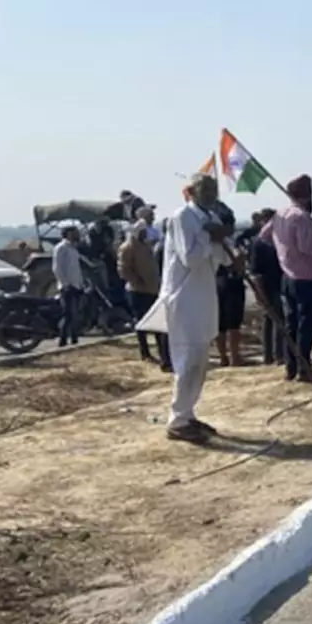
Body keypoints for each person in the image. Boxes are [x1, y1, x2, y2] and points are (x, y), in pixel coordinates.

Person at [147, 174, 233, 444]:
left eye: (213, 189)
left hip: (204, 297)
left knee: (200, 362)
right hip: (184, 299)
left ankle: (187, 413)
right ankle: (177, 420)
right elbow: (191, 257)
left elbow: (221, 260)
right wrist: (210, 237)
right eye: (204, 189)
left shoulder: (212, 218)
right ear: (192, 192)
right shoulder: (182, 217)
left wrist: (224, 244)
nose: (210, 193)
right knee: (187, 362)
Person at [260, 175, 312, 381]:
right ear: (308, 195)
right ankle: (304, 369)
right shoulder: (301, 217)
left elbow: (264, 236)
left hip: (287, 278)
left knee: (290, 325)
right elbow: (307, 248)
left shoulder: (280, 214)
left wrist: (283, 252)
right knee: (307, 327)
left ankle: (290, 367)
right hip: (306, 279)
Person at [118, 222, 170, 370]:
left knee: (157, 323)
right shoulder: (127, 247)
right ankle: (144, 351)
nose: (144, 234)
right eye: (141, 232)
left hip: (152, 289)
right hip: (137, 291)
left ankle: (163, 353)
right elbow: (123, 269)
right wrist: (137, 281)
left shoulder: (145, 246)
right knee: (141, 322)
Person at [250, 209, 286, 365]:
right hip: (266, 284)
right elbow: (255, 271)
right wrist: (259, 292)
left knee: (279, 319)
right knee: (269, 318)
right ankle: (270, 355)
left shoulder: (279, 240)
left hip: (279, 283)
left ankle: (278, 354)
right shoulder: (258, 243)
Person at [212, 203, 246, 367]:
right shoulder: (227, 242)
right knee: (232, 322)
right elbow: (235, 261)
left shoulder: (216, 241)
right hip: (229, 281)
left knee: (221, 323)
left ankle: (224, 356)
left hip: (217, 282)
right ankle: (233, 355)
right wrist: (241, 260)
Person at [52, 225, 85, 347]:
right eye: (74, 232)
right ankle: (63, 339)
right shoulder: (61, 248)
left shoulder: (73, 249)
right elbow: (57, 268)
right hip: (67, 286)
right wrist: (65, 284)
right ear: (68, 234)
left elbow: (76, 269)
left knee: (76, 314)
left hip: (76, 285)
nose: (77, 234)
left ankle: (74, 339)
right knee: (68, 314)